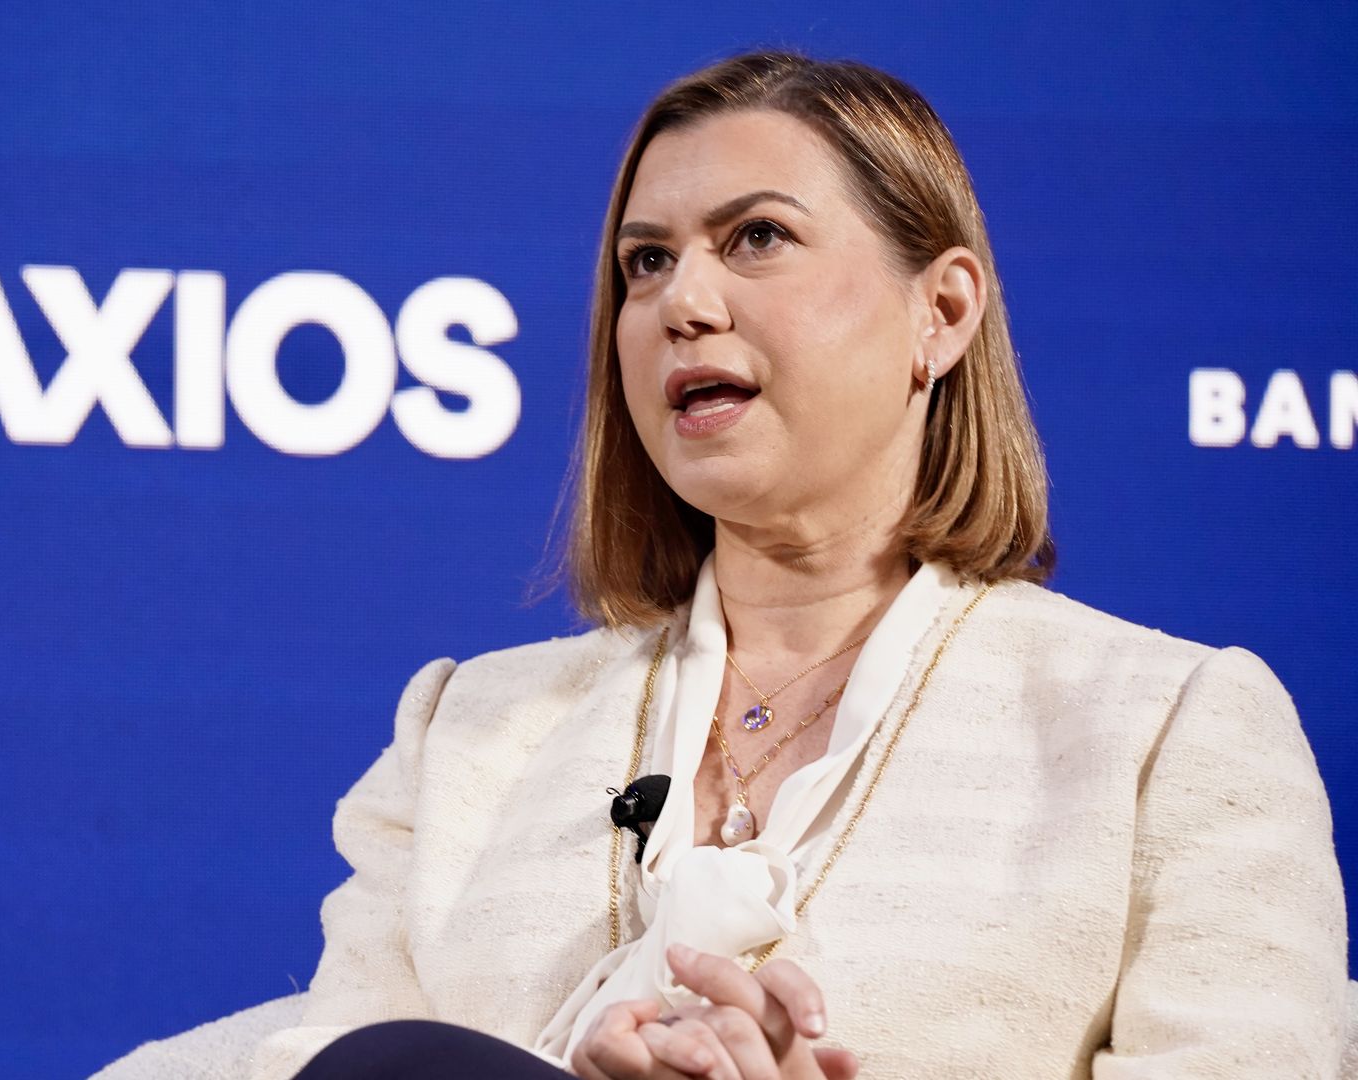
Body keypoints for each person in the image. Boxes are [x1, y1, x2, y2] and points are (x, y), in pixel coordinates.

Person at [221, 48, 1348, 1079]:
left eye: (756, 237)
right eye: (646, 263)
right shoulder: (469, 731)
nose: (682, 304)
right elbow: (317, 1058)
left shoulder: (1173, 734)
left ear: (942, 312)